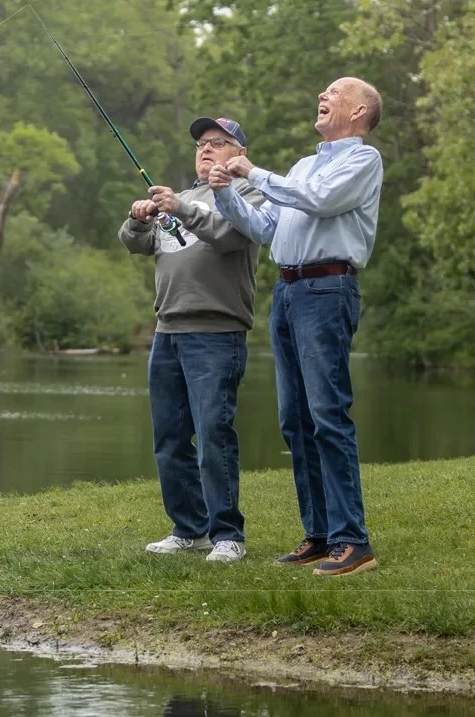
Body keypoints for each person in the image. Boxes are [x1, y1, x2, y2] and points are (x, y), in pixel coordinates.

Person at [207, 77, 383, 577]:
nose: (322, 96)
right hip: (286, 291)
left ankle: (354, 542)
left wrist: (252, 170)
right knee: (295, 420)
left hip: (328, 290)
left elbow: (320, 200)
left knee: (328, 415)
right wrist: (225, 194)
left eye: (333, 92)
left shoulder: (362, 160)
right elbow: (266, 227)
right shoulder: (305, 165)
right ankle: (320, 534)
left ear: (359, 110)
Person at [119, 116, 264, 564]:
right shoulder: (182, 198)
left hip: (216, 332)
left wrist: (179, 208)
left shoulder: (248, 194)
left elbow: (226, 236)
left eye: (218, 143)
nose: (205, 149)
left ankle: (227, 536)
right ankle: (189, 528)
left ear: (238, 153)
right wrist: (139, 218)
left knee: (213, 434)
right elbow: (136, 244)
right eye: (201, 143)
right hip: (168, 331)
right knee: (169, 438)